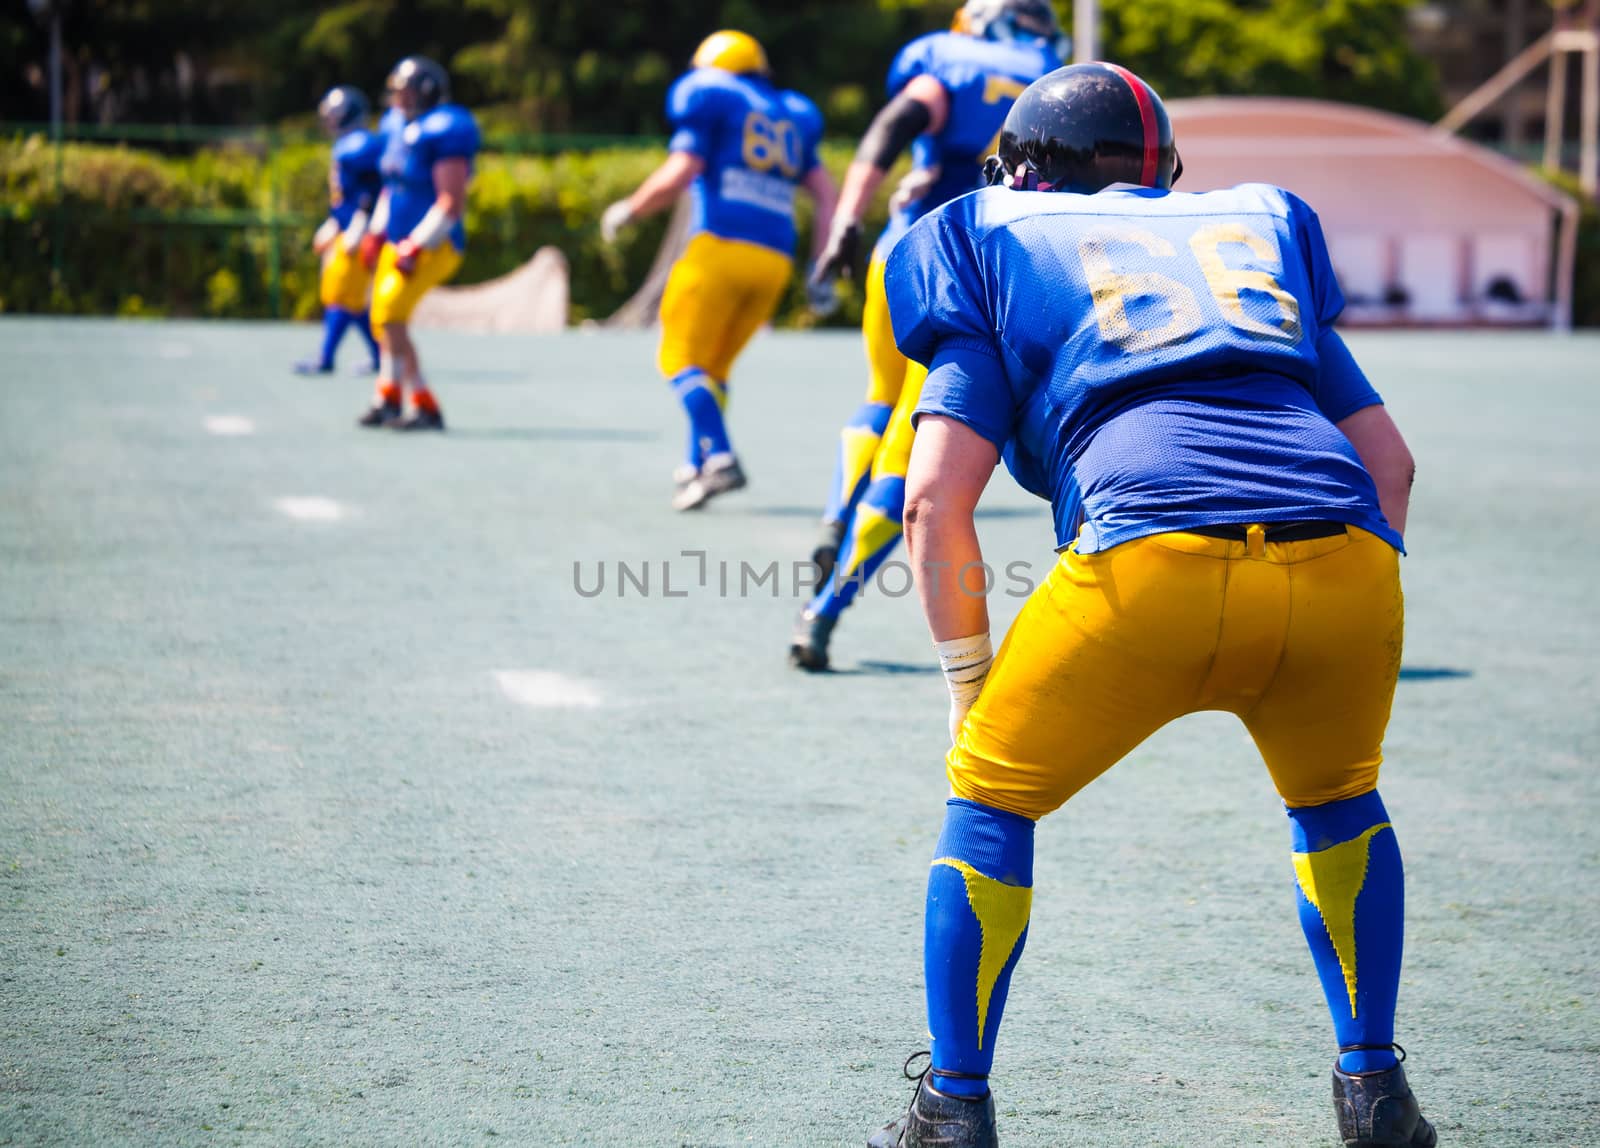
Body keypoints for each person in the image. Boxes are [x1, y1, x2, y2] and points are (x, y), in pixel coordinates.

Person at [866, 64, 1434, 1148]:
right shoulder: (1257, 229)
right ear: (1164, 170)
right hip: (1342, 558)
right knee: (1340, 801)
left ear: (1022, 170)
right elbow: (1391, 464)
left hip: (1147, 560)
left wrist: (966, 685)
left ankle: (953, 1103)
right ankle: (1374, 1087)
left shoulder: (988, 236)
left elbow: (934, 499)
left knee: (988, 799)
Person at [789, 0, 1065, 670]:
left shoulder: (943, 59)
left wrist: (848, 218)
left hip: (900, 255)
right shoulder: (1053, 77)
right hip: (974, 282)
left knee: (880, 395)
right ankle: (822, 612)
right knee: (912, 455)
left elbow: (896, 125)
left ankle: (833, 516)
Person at [600, 30, 836, 511]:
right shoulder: (793, 111)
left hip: (719, 248)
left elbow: (683, 167)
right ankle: (698, 464)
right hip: (773, 261)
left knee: (678, 359)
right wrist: (821, 264)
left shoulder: (711, 96)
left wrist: (632, 208)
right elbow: (826, 194)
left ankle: (721, 456)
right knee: (715, 369)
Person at [356, 56, 480, 431]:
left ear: (426, 91)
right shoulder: (398, 127)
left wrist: (417, 243)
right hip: (398, 239)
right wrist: (377, 231)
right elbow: (390, 189)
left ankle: (409, 400)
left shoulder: (445, 128)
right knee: (384, 320)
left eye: (405, 91)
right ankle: (395, 396)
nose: (398, 98)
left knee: (391, 314)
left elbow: (451, 203)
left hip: (434, 243)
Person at [293, 85, 384, 376]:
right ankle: (380, 355)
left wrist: (361, 220)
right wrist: (334, 222)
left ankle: (327, 356)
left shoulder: (362, 145)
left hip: (360, 232)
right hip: (346, 228)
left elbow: (375, 188)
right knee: (349, 298)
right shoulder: (348, 144)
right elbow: (346, 194)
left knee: (341, 293)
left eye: (334, 114)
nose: (329, 120)